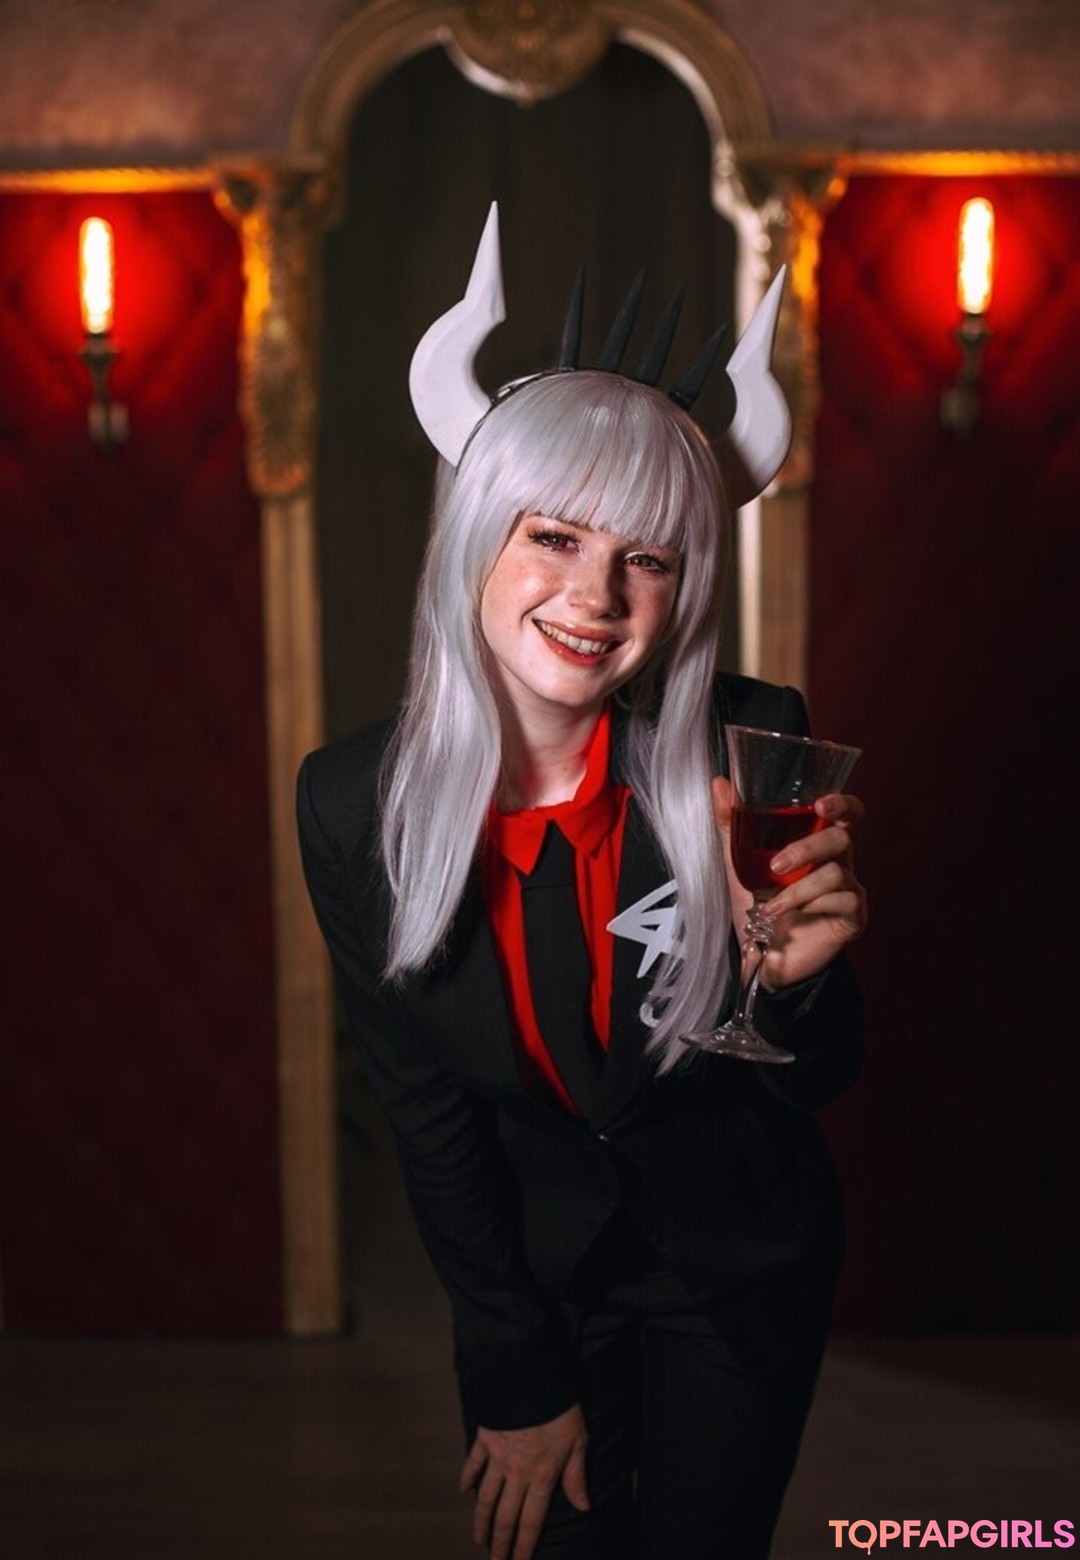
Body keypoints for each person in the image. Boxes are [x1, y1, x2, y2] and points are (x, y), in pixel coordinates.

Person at [297, 206, 866, 1560]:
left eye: (646, 558)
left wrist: (796, 989)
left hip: (739, 1274)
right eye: (553, 537)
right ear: (476, 540)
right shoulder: (351, 803)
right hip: (539, 1282)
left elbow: (821, 1078)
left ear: (685, 584)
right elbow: (424, 1111)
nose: (596, 595)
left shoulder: (752, 742)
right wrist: (513, 1368)